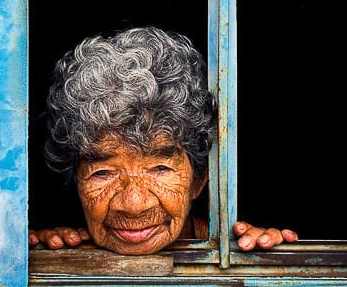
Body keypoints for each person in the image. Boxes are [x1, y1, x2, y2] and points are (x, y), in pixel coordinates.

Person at [29, 26, 297, 256]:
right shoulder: (66, 244)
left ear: (199, 179)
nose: (134, 204)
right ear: (75, 181)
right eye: (103, 173)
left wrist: (259, 253)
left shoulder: (233, 246)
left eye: (160, 168)